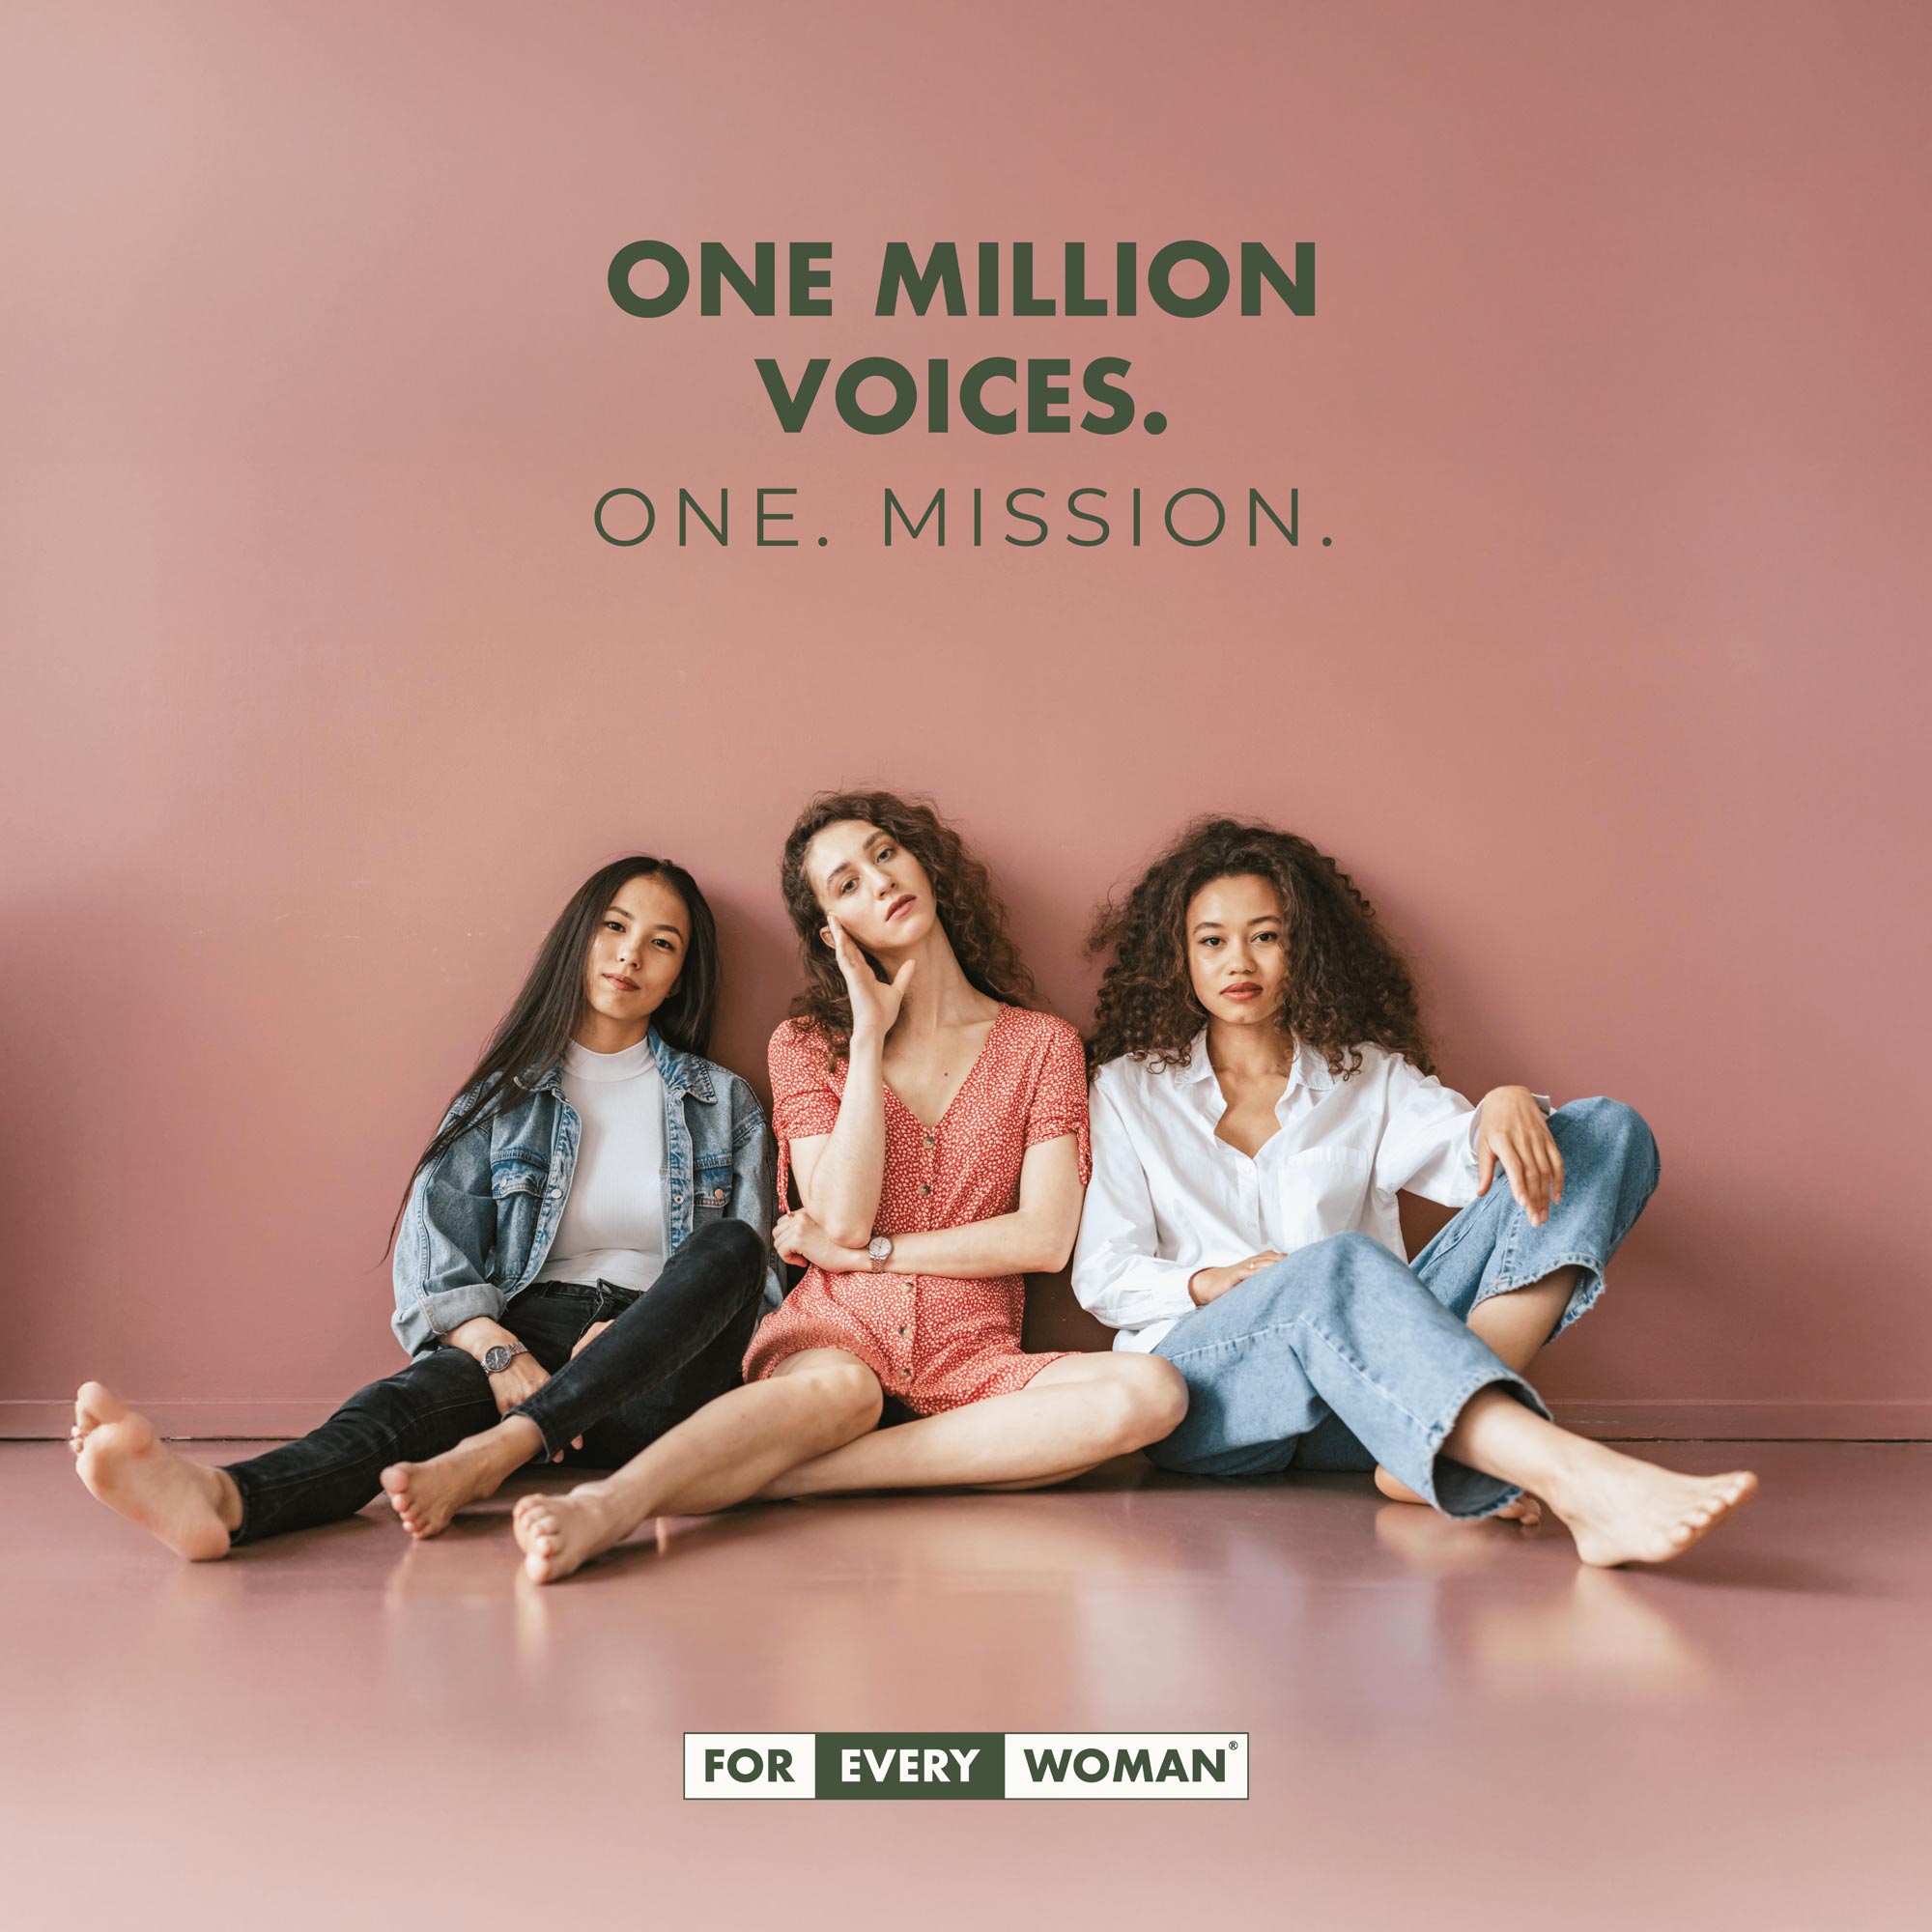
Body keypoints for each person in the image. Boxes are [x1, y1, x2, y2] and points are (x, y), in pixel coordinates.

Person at [508, 791, 1185, 1583]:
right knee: (845, 1395)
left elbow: (1042, 1239)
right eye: (846, 884)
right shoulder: (808, 1045)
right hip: (836, 1339)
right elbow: (837, 1214)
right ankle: (610, 1505)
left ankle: (801, 1478)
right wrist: (867, 1040)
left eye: (885, 855)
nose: (878, 882)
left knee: (1153, 1391)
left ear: (925, 864)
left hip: (977, 1358)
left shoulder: (1042, 1045)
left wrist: (871, 1257)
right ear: (832, 930)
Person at [1071, 817, 1755, 1566]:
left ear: (1303, 948)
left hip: (1365, 1403)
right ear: (1180, 956)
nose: (1240, 961)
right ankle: (1561, 1474)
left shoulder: (1366, 1074)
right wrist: (1211, 1281)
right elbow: (1103, 1274)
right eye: (1212, 940)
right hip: (1218, 1404)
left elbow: (1478, 1165)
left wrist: (1499, 1105)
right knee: (1335, 1265)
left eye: (1266, 936)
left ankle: (1435, 1431)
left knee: (1601, 1131)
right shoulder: (1128, 1089)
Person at [71, 855, 781, 1558]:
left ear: (681, 975)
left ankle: (502, 1451)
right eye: (614, 926)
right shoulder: (502, 1097)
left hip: (659, 1372)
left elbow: (754, 1287)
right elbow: (435, 1261)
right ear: (578, 938)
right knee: (401, 1402)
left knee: (732, 1248)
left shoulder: (724, 1106)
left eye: (662, 942)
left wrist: (635, 1337)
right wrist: (498, 1352)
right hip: (526, 1344)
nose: (630, 954)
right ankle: (221, 1501)